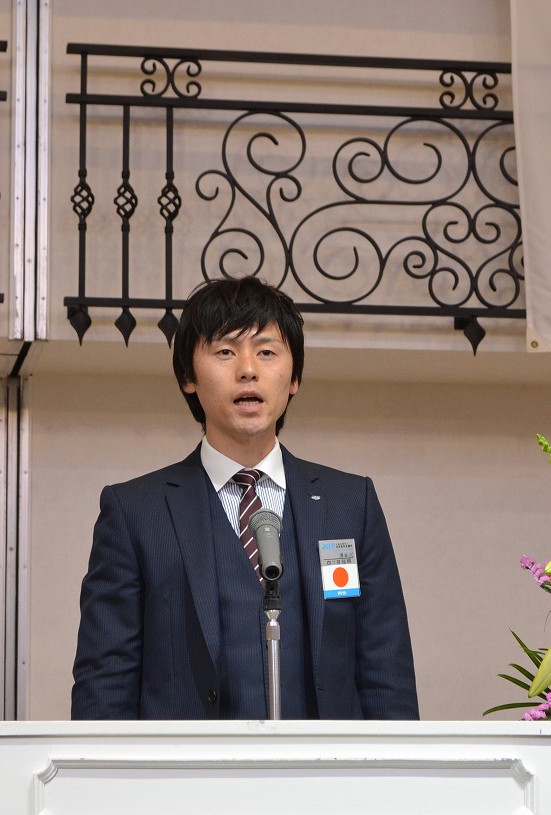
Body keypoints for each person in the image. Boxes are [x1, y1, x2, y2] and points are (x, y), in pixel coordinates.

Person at [70, 276, 418, 720]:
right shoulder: (135, 511)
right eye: (225, 352)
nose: (248, 369)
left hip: (325, 763)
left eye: (267, 352)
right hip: (187, 763)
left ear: (294, 378)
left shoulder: (350, 504)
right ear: (188, 377)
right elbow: (106, 679)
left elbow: (386, 668)